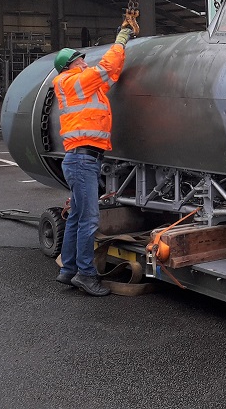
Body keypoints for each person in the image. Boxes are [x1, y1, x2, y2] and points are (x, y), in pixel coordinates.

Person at [52, 20, 138, 296]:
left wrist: (121, 50)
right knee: (89, 219)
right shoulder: (72, 82)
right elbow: (106, 69)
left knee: (77, 217)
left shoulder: (81, 85)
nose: (85, 64)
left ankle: (68, 270)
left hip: (80, 159)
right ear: (69, 66)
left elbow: (111, 74)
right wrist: (122, 37)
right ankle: (86, 275)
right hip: (82, 160)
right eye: (80, 61)